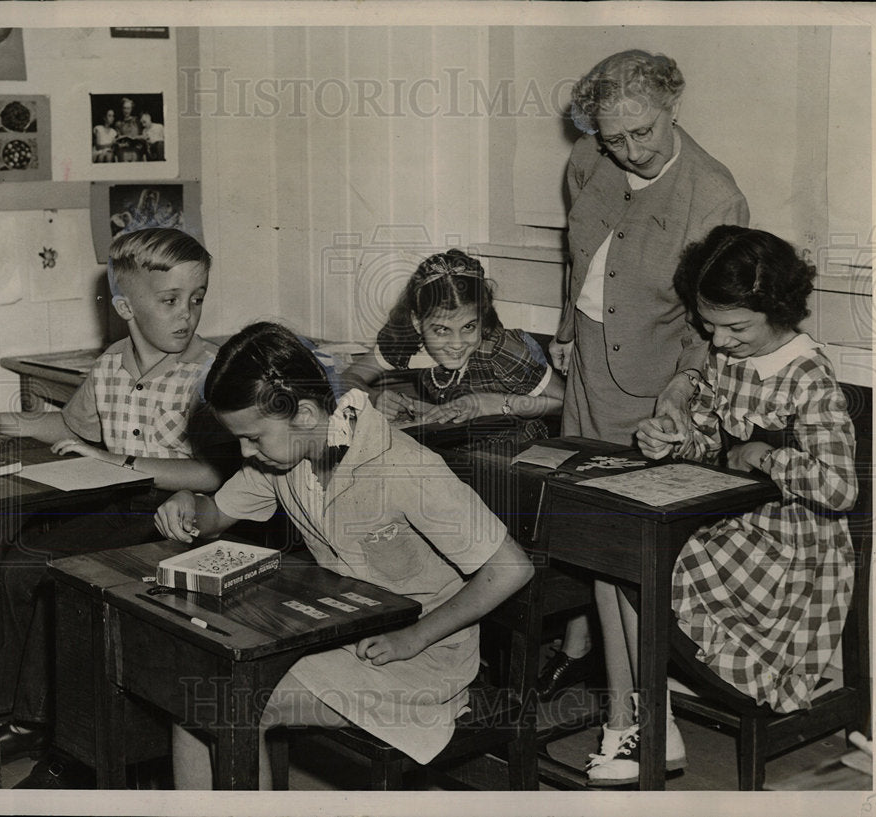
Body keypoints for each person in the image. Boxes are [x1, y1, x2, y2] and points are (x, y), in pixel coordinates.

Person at [154, 321, 535, 789]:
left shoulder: (405, 468)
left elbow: (511, 568)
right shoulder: (285, 458)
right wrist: (189, 504)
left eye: (253, 437)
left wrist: (412, 639)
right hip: (338, 635)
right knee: (189, 700)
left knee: (226, 706)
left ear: (307, 415)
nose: (244, 451)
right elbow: (214, 514)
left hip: (420, 658)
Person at [0, 227, 226, 787]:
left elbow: (216, 473)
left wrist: (115, 461)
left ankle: (66, 746)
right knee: (16, 556)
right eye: (169, 301)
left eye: (197, 297)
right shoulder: (113, 363)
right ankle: (30, 715)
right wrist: (11, 422)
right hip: (117, 505)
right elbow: (70, 427)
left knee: (59, 573)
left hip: (179, 517)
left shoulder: (208, 373)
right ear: (124, 305)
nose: (187, 314)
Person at [586, 225, 857, 785]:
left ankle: (654, 729)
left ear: (778, 309)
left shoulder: (809, 376)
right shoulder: (730, 358)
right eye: (710, 326)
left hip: (793, 555)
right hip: (737, 523)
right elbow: (712, 439)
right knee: (610, 557)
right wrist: (673, 435)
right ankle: (635, 722)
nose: (722, 341)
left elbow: (839, 488)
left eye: (736, 327)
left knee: (640, 563)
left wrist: (766, 458)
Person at [539, 49, 751, 701]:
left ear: (672, 108)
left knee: (627, 546)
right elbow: (578, 258)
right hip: (587, 368)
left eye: (644, 132)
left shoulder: (715, 195)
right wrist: (567, 332)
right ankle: (581, 651)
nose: (630, 150)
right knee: (577, 517)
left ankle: (638, 701)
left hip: (657, 385)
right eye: (614, 137)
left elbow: (710, 318)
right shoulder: (587, 160)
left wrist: (683, 389)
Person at [341, 249, 565, 443]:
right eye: (442, 330)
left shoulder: (502, 350)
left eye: (468, 327)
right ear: (418, 323)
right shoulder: (407, 344)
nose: (457, 344)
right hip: (456, 444)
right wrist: (373, 397)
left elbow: (566, 403)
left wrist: (495, 403)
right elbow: (347, 378)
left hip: (514, 454)